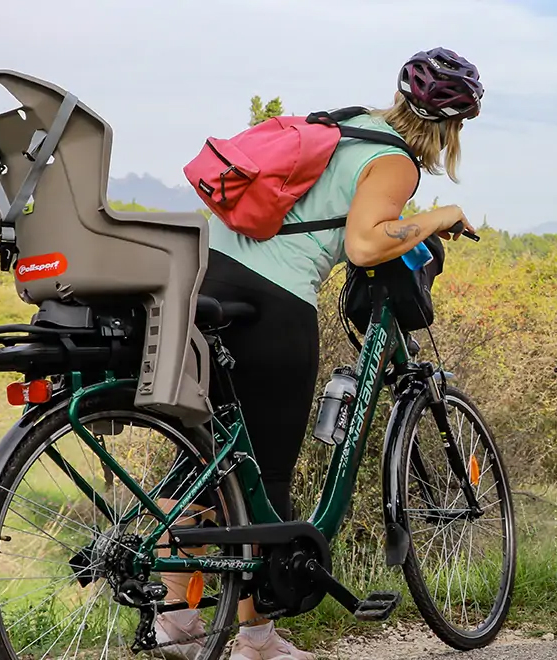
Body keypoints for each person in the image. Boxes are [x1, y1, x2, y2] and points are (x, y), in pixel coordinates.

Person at [150, 47, 484, 660]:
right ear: (453, 126)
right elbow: (363, 244)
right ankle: (257, 640)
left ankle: (175, 623)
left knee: (206, 458)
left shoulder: (346, 126)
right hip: (272, 301)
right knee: (266, 473)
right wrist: (439, 216)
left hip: (205, 280)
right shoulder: (395, 161)